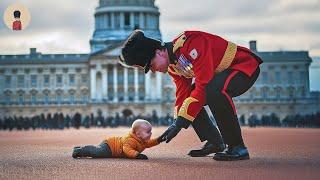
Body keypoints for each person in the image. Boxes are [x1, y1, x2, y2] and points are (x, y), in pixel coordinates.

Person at [119, 30, 263, 161]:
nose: (153, 70)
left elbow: (203, 84)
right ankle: (215, 141)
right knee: (191, 98)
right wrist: (176, 122)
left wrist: (182, 122)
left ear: (158, 52)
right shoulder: (173, 67)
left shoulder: (191, 42)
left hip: (242, 66)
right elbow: (183, 94)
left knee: (211, 90)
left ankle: (237, 146)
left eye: (150, 65)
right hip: (218, 78)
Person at [72, 119, 165, 159]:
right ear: (138, 134)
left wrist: (159, 139)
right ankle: (80, 151)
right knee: (97, 153)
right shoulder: (130, 140)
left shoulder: (142, 140)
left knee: (98, 152)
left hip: (114, 148)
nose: (151, 134)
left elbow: (149, 143)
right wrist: (137, 155)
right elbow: (127, 149)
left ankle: (79, 148)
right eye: (148, 132)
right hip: (110, 147)